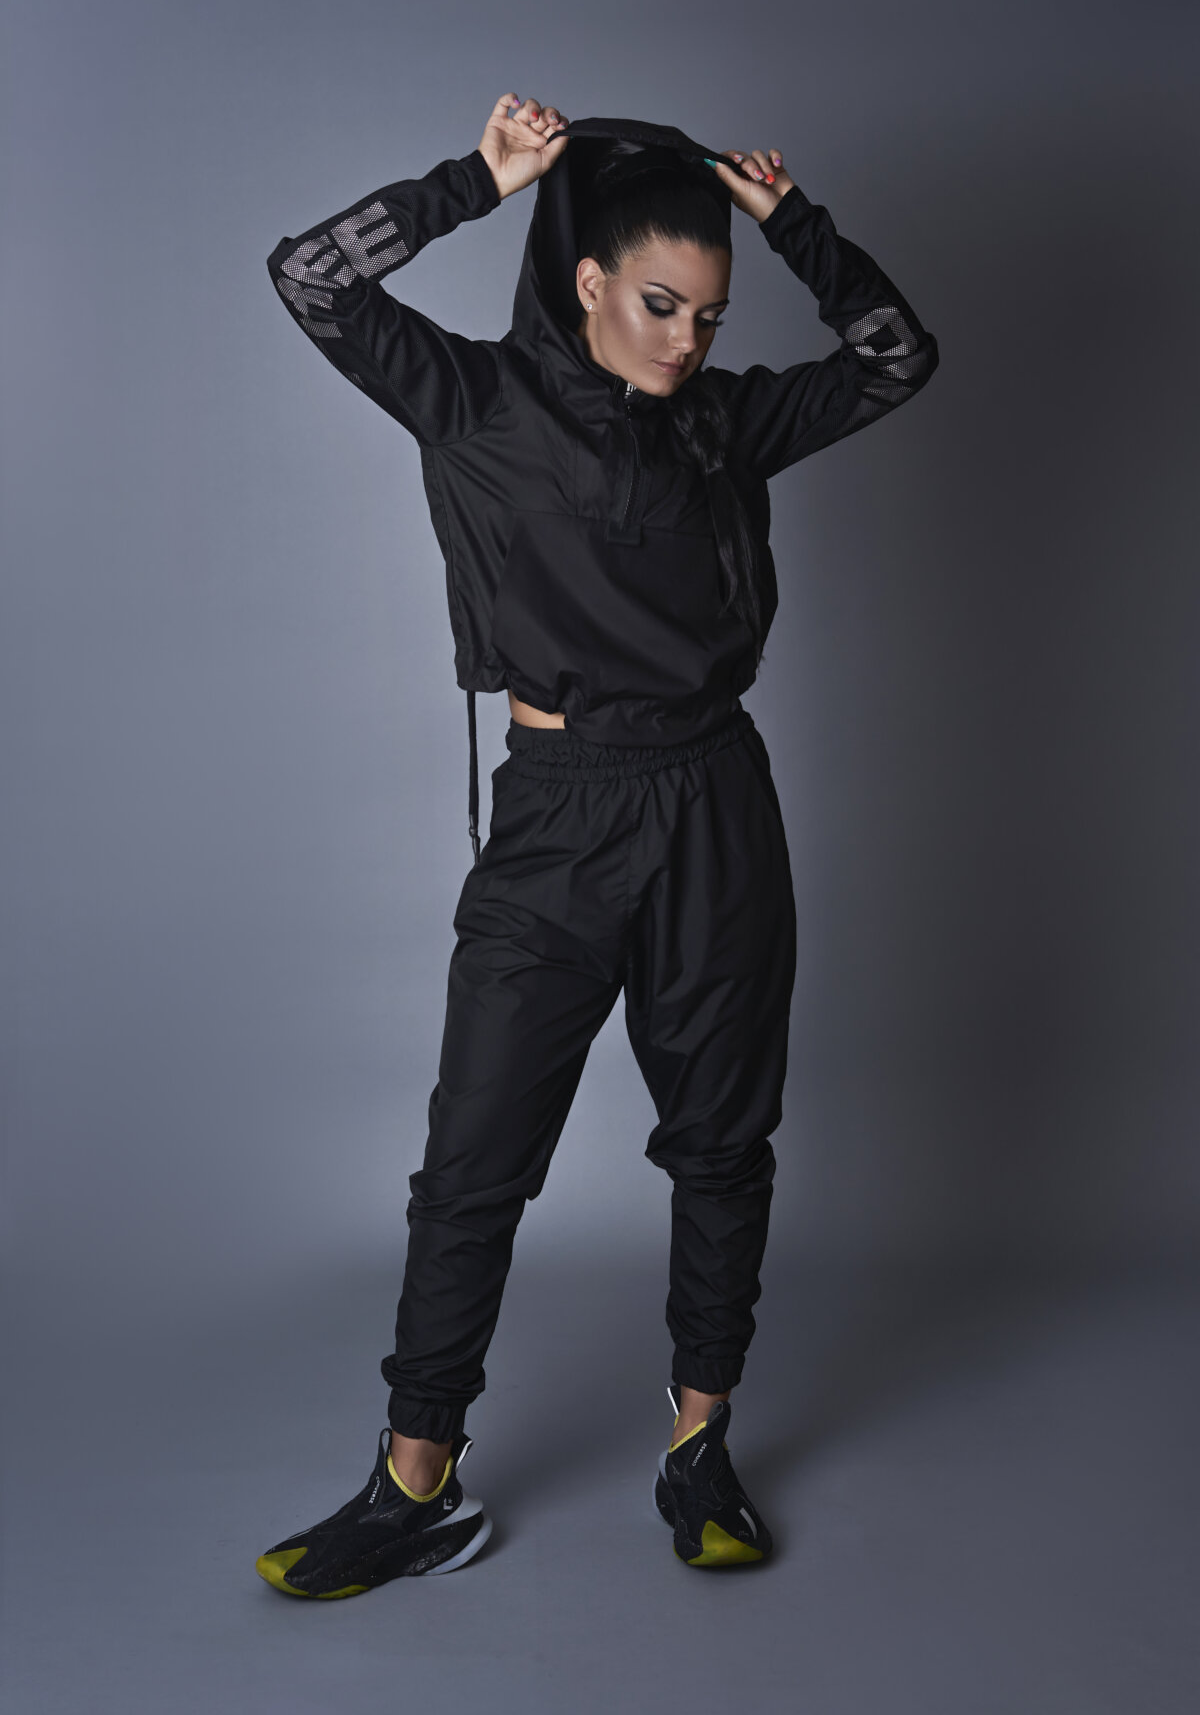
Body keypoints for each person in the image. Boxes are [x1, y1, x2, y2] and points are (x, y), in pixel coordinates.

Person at [255, 93, 939, 1597]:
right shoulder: (475, 399)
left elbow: (898, 355)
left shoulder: (724, 422)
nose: (687, 339)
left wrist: (790, 221)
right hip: (558, 817)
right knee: (472, 1163)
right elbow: (308, 273)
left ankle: (701, 1446)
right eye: (659, 304)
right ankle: (413, 1483)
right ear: (588, 280)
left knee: (722, 1144)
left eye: (710, 313)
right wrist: (475, 180)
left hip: (713, 805)